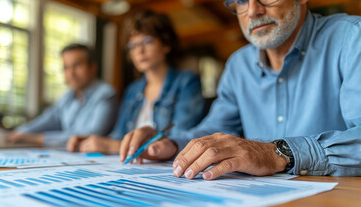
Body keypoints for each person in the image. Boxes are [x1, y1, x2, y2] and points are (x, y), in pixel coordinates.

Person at [119, 0, 361, 177]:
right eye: (241, 1)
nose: (253, 10)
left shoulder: (351, 39)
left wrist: (276, 153)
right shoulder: (238, 65)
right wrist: (170, 144)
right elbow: (215, 130)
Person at [66, 10, 205, 158]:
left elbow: (180, 139)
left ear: (166, 45)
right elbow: (119, 134)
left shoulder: (187, 82)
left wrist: (116, 146)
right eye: (132, 45)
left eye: (147, 41)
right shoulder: (133, 89)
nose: (139, 50)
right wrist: (93, 140)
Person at [8, 43, 117, 147]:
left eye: (77, 65)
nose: (71, 73)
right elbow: (47, 119)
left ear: (92, 67)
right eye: (66, 67)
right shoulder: (67, 97)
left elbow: (87, 137)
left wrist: (34, 138)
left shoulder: (106, 95)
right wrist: (18, 132)